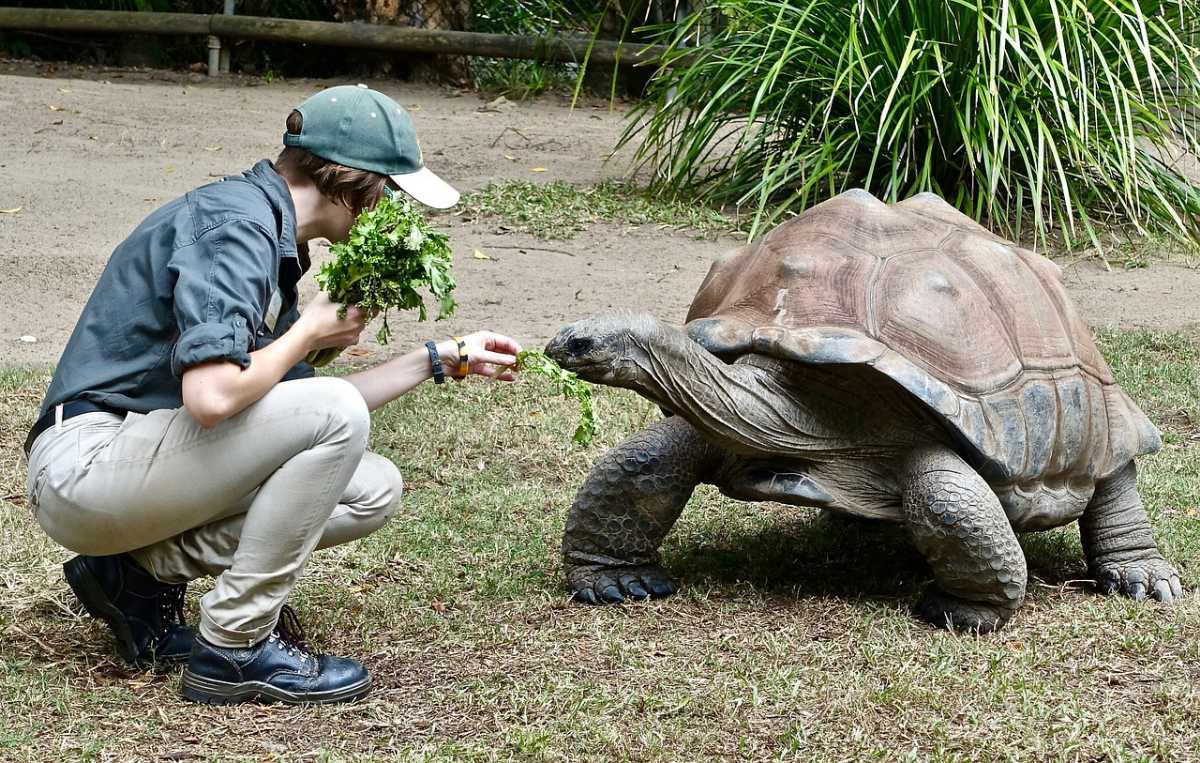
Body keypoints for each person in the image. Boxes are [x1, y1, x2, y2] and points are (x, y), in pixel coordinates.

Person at [22, 84, 520, 705]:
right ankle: (234, 648)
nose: (395, 212)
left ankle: (137, 574)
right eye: (392, 193)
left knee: (372, 487)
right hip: (86, 467)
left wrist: (438, 360)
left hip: (132, 466)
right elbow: (212, 397)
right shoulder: (238, 227)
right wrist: (309, 329)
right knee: (334, 415)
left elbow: (297, 407)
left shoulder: (272, 236)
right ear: (354, 180)